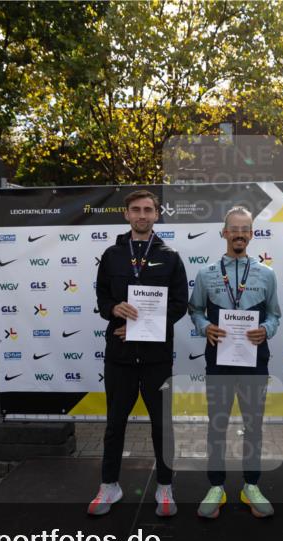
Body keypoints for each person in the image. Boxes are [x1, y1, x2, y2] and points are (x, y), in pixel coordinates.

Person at [88, 190, 188, 517]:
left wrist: (140, 326)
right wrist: (112, 308)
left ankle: (165, 486)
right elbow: (102, 297)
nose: (142, 215)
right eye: (136, 209)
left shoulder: (171, 257)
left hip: (157, 358)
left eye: (148, 209)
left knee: (162, 425)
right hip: (119, 356)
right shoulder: (112, 255)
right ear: (127, 214)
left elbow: (179, 305)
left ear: (157, 214)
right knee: (114, 424)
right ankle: (109, 485)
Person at [188, 206, 281, 519]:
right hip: (219, 361)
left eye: (245, 229)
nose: (239, 234)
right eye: (234, 229)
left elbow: (275, 315)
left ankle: (251, 485)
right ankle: (216, 486)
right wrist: (204, 327)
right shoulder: (206, 274)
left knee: (253, 425)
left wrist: (266, 329)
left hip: (255, 361)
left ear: (251, 234)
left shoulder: (267, 274)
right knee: (217, 424)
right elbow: (195, 310)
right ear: (224, 233)